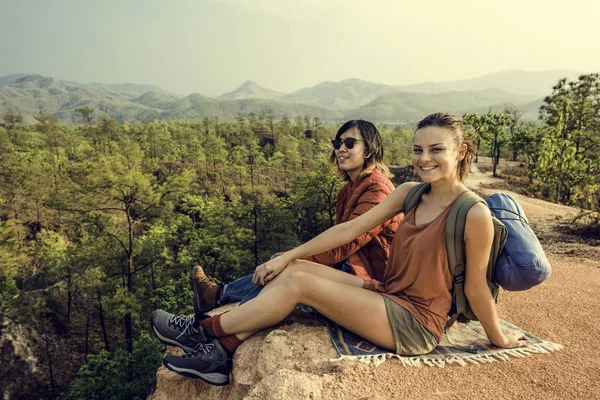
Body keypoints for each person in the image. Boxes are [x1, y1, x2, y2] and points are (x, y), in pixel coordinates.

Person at [151, 112, 528, 386]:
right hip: (389, 294)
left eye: (436, 149)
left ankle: (203, 330)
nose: (424, 158)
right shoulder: (410, 194)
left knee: (302, 285)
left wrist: (498, 337)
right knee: (294, 272)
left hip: (416, 323)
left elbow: (477, 287)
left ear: (460, 152)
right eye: (417, 149)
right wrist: (288, 256)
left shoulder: (472, 213)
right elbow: (348, 230)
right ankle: (218, 356)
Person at [185, 120, 401, 317]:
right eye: (338, 143)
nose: (341, 149)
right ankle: (220, 298)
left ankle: (228, 318)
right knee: (281, 263)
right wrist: (286, 258)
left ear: (369, 150)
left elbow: (344, 242)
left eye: (350, 143)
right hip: (353, 265)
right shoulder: (348, 190)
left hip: (373, 277)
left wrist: (288, 258)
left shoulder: (377, 189)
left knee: (286, 267)